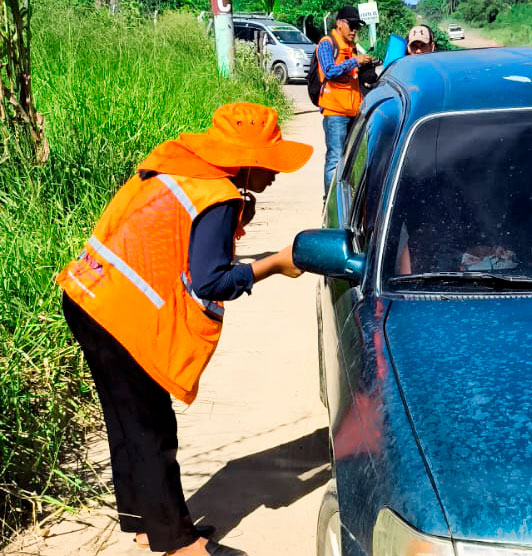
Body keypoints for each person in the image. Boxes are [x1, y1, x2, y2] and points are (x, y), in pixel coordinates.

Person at [56, 102, 313, 556]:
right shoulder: (216, 195)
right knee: (151, 428)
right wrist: (274, 264)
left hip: (86, 294)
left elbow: (171, 236)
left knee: (126, 421)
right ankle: (178, 543)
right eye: (270, 164)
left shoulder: (180, 163)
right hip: (120, 317)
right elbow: (211, 281)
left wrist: (229, 227)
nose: (276, 175)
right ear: (245, 161)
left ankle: (146, 525)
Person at [317, 5, 374, 194]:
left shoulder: (352, 47)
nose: (355, 30)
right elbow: (329, 71)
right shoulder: (327, 43)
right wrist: (356, 61)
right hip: (335, 114)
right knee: (335, 159)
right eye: (352, 25)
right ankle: (330, 201)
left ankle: (348, 200)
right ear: (340, 23)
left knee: (352, 160)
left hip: (353, 112)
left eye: (358, 26)